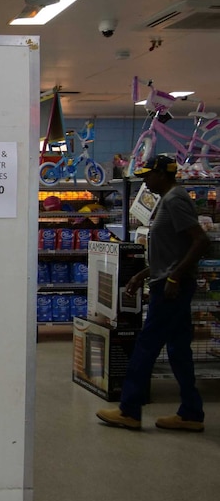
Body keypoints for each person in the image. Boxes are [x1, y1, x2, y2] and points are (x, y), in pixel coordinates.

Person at [97, 154, 210, 432]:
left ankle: (129, 410)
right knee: (179, 349)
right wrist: (142, 274)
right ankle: (191, 413)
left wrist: (173, 277)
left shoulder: (175, 199)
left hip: (172, 289)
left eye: (149, 175)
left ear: (163, 174)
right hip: (168, 283)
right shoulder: (168, 199)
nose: (145, 181)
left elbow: (200, 241)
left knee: (145, 346)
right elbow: (173, 250)